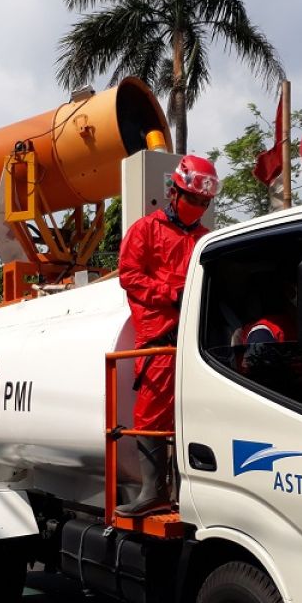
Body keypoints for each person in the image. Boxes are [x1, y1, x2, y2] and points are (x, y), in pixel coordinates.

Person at [115, 154, 218, 517]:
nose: (198, 208)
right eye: (193, 200)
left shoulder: (207, 240)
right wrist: (172, 293)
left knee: (200, 413)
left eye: (204, 203)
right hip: (160, 337)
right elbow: (130, 275)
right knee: (151, 412)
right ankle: (152, 491)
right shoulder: (145, 231)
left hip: (199, 341)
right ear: (173, 193)